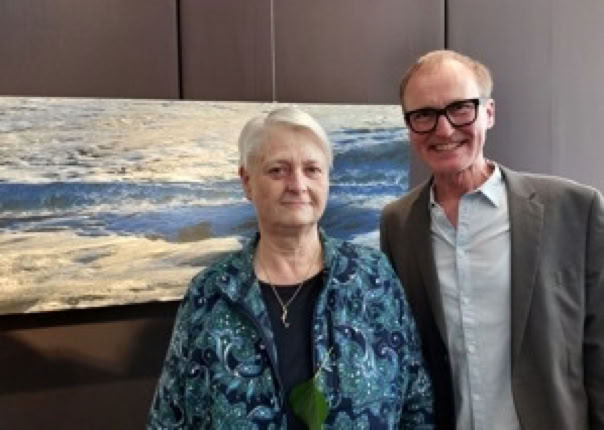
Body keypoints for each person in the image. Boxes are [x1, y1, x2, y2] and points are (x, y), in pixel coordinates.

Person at [148, 106, 434, 429]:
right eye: (277, 170)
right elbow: (169, 419)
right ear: (247, 182)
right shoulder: (210, 294)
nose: (297, 184)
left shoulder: (373, 278)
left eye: (312, 169)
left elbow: (417, 403)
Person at [380, 49, 604, 430]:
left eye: (460, 108)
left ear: (489, 113)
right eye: (424, 115)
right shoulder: (397, 223)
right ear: (409, 126)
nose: (443, 129)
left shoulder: (574, 209)